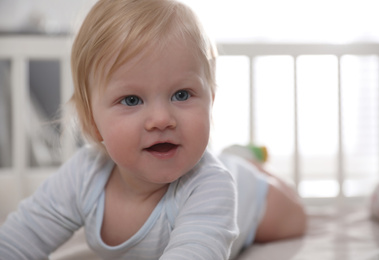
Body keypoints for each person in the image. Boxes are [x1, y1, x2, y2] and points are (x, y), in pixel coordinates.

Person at [0, 0, 306, 259]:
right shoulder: (83, 177)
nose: (161, 119)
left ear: (210, 101)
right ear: (92, 121)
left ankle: (250, 164)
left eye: (182, 95)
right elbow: (19, 239)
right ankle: (237, 156)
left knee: (295, 218)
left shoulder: (210, 186)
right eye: (132, 100)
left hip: (250, 193)